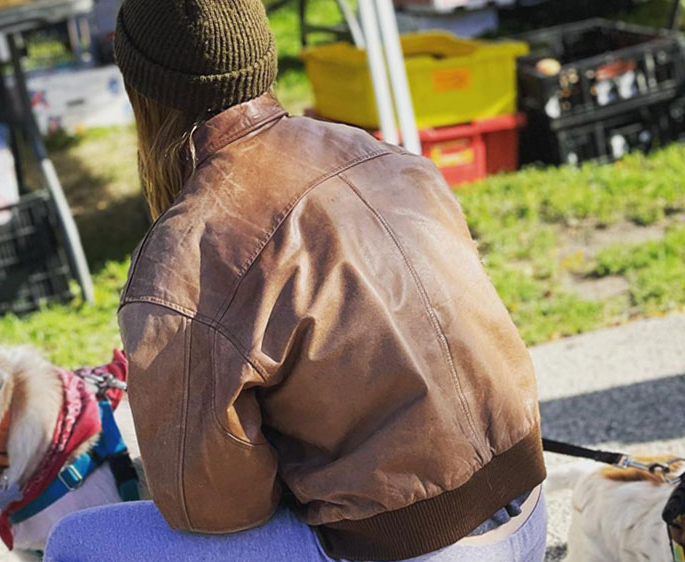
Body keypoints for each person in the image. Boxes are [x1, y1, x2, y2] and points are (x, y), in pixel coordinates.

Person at [44, 1, 548, 560]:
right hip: (525, 506)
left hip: (408, 545)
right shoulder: (377, 150)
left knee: (76, 540)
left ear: (142, 89)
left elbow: (213, 508)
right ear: (262, 53)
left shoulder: (185, 257)